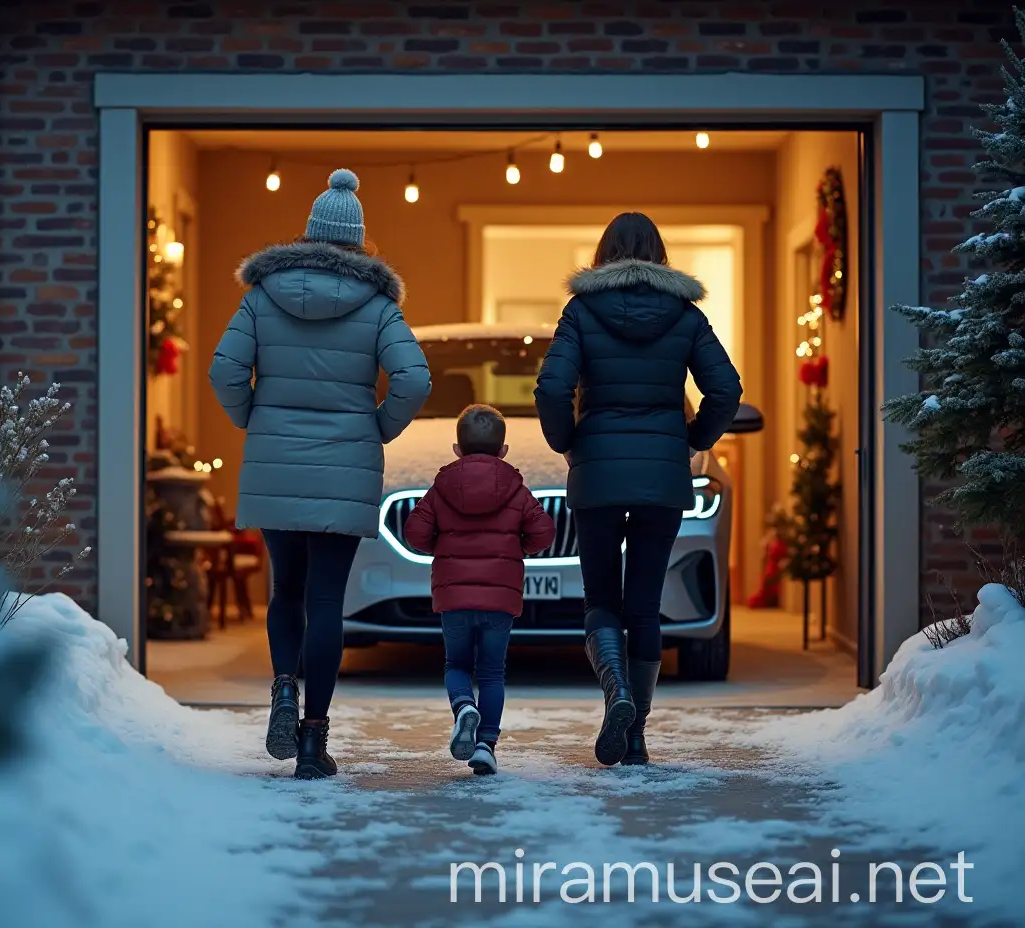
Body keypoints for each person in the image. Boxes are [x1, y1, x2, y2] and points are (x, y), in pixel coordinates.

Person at [210, 169, 431, 780]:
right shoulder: (379, 307)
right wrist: (377, 426)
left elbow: (225, 371)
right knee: (327, 599)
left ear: (308, 232)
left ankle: (284, 686)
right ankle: (313, 738)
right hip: (344, 463)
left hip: (276, 462)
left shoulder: (261, 295)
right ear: (359, 241)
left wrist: (252, 417)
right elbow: (414, 380)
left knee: (286, 590)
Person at [533, 212, 742, 767]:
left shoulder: (581, 310)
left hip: (598, 472)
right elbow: (725, 388)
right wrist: (691, 439)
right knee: (645, 603)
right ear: (658, 252)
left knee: (602, 596)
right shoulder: (684, 314)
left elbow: (552, 385)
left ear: (604, 252)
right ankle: (636, 735)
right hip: (663, 475)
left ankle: (616, 694)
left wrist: (568, 441)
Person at [403, 404, 556, 776]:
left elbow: (414, 532)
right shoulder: (516, 488)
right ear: (503, 450)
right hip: (499, 601)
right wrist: (517, 547)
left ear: (457, 448)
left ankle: (463, 707)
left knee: (456, 664)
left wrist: (441, 546)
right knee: (491, 672)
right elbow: (544, 532)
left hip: (453, 598)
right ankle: (486, 744)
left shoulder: (442, 487)